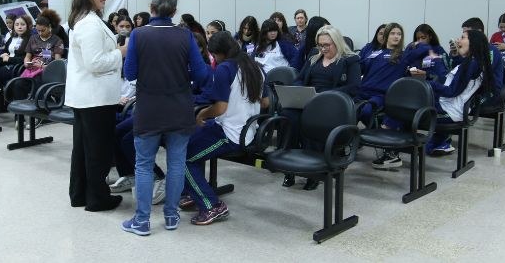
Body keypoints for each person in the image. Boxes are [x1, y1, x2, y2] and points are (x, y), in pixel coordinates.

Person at [121, 0, 210, 236]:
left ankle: (142, 221)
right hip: (179, 108)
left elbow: (130, 73)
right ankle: (171, 217)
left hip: (149, 108)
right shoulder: (186, 35)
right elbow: (202, 75)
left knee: (144, 164)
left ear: (151, 8)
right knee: (176, 163)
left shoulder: (138, 35)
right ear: (174, 11)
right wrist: (183, 78)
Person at [180, 31, 268, 225]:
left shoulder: (224, 69)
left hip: (231, 134)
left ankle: (212, 205)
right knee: (192, 141)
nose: (214, 59)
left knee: (182, 158)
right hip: (248, 131)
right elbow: (266, 102)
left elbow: (220, 108)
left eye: (214, 55)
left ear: (220, 53)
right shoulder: (256, 67)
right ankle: (194, 190)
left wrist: (202, 114)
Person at [65, 0, 127, 211]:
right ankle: (98, 199)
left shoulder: (85, 19)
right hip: (95, 98)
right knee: (97, 152)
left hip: (87, 97)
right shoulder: (90, 24)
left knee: (83, 149)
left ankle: (80, 194)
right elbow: (96, 63)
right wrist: (121, 52)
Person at [281, 25, 361, 190]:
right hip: (310, 100)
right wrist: (298, 91)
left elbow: (353, 87)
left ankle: (314, 172)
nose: (323, 48)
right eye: (320, 45)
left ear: (337, 43)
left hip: (331, 103)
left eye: (327, 45)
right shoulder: (313, 57)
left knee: (312, 119)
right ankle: (290, 165)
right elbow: (300, 78)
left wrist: (324, 95)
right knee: (288, 115)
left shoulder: (349, 60)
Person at [357, 23, 430, 169]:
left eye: (399, 34)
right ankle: (348, 143)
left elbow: (427, 51)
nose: (396, 36)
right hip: (362, 91)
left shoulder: (404, 56)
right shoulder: (375, 52)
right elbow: (360, 67)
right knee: (348, 111)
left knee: (366, 111)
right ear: (386, 36)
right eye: (393, 33)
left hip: (382, 95)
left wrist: (415, 45)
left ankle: (386, 146)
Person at [423, 30, 494, 155]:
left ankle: (397, 150)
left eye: (463, 37)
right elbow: (456, 79)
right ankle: (440, 142)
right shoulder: (472, 62)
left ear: (473, 43)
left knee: (407, 110)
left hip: (450, 111)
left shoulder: (472, 64)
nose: (458, 40)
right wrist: (455, 56)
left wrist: (427, 84)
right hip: (450, 106)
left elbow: (451, 91)